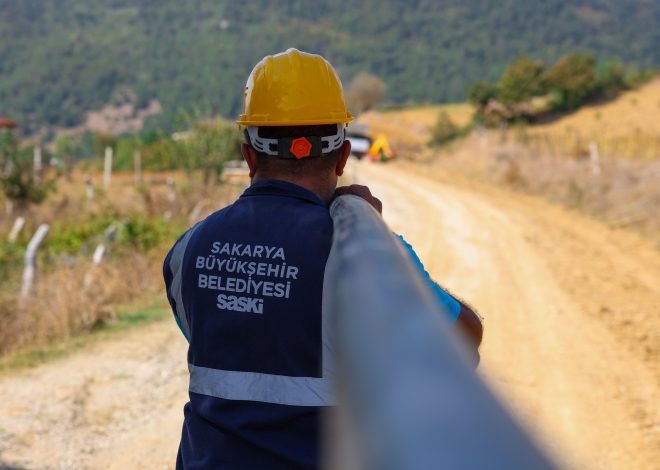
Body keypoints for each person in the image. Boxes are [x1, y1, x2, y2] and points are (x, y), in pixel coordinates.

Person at [163, 48, 482, 470]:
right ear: (343, 156)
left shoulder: (187, 250)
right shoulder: (355, 251)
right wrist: (385, 243)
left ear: (249, 156)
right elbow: (463, 341)